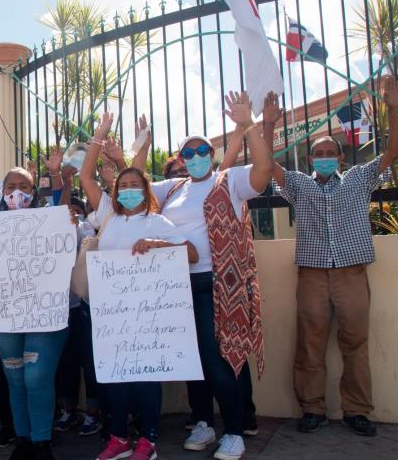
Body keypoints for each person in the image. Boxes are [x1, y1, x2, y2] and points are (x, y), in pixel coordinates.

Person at [269, 80, 398, 437]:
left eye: (331, 152)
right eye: (318, 153)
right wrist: (268, 125)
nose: (324, 157)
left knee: (355, 342)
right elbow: (269, 168)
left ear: (341, 157)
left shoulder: (358, 178)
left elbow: (391, 154)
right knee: (309, 341)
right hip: (312, 274)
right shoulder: (300, 183)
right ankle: (311, 408)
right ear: (311, 159)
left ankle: (357, 410)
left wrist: (392, 108)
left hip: (351, 273)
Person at [149, 91, 274, 460]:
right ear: (181, 160)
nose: (197, 158)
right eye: (189, 153)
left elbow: (264, 171)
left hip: (217, 285)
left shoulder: (229, 180)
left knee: (221, 361)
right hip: (176, 285)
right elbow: (134, 186)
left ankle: (233, 431)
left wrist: (248, 124)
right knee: (191, 360)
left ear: (213, 155)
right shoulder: (172, 189)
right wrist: (128, 151)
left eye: (203, 151)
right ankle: (203, 422)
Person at [82, 112, 199, 460]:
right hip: (111, 318)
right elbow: (86, 176)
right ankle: (118, 437)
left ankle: (147, 440)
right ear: (116, 192)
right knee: (113, 378)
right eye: (124, 186)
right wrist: (99, 136)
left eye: (136, 186)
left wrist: (160, 244)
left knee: (146, 377)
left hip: (149, 319)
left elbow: (191, 254)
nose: (130, 190)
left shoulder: (158, 221)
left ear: (145, 190)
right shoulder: (108, 217)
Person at [0, 166, 69, 460]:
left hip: (44, 311)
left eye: (25, 186)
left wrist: (59, 178)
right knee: (14, 376)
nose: (17, 191)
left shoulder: (53, 219)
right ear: (3, 192)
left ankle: (42, 441)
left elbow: (64, 221)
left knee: (37, 376)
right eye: (11, 186)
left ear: (34, 192)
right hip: (3, 313)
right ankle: (24, 441)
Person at [42, 148, 101, 437]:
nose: (70, 214)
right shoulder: (50, 228)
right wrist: (60, 179)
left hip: (82, 307)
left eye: (75, 211)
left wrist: (62, 181)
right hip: (57, 307)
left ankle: (93, 412)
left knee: (89, 362)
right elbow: (57, 212)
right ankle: (68, 411)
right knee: (65, 364)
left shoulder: (87, 228)